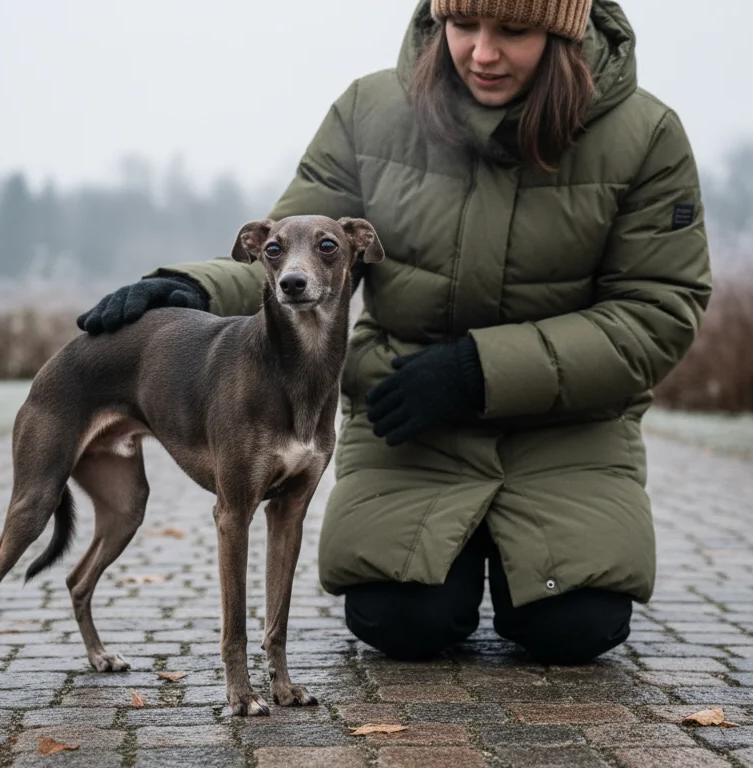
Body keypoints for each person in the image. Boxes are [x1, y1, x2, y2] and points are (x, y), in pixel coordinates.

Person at [78, 0, 711, 665]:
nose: (482, 52)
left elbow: (656, 312)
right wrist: (196, 288)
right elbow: (300, 243)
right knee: (400, 624)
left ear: (564, 30)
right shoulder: (369, 110)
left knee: (575, 629)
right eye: (464, 26)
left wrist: (479, 371)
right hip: (410, 422)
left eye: (514, 31)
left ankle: (522, 568)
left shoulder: (648, 135)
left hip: (568, 433)